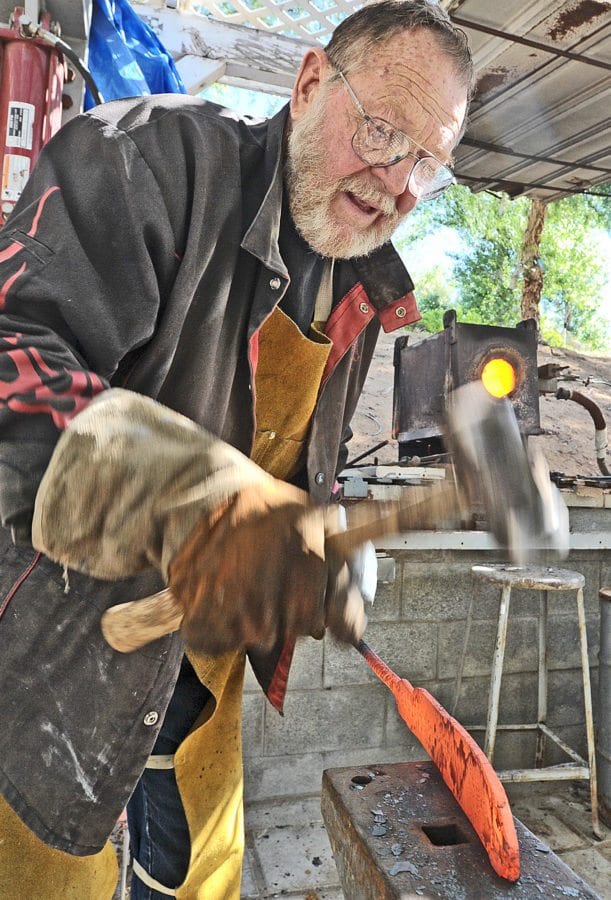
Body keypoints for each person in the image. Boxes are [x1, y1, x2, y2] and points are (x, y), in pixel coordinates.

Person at [0, 1, 473, 896]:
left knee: (197, 881)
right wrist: (198, 501)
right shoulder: (144, 156)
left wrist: (317, 534)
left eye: (428, 163)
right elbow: (11, 357)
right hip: (52, 669)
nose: (397, 179)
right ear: (304, 86)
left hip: (197, 679)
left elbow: (285, 459)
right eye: (381, 130)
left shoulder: (361, 283)